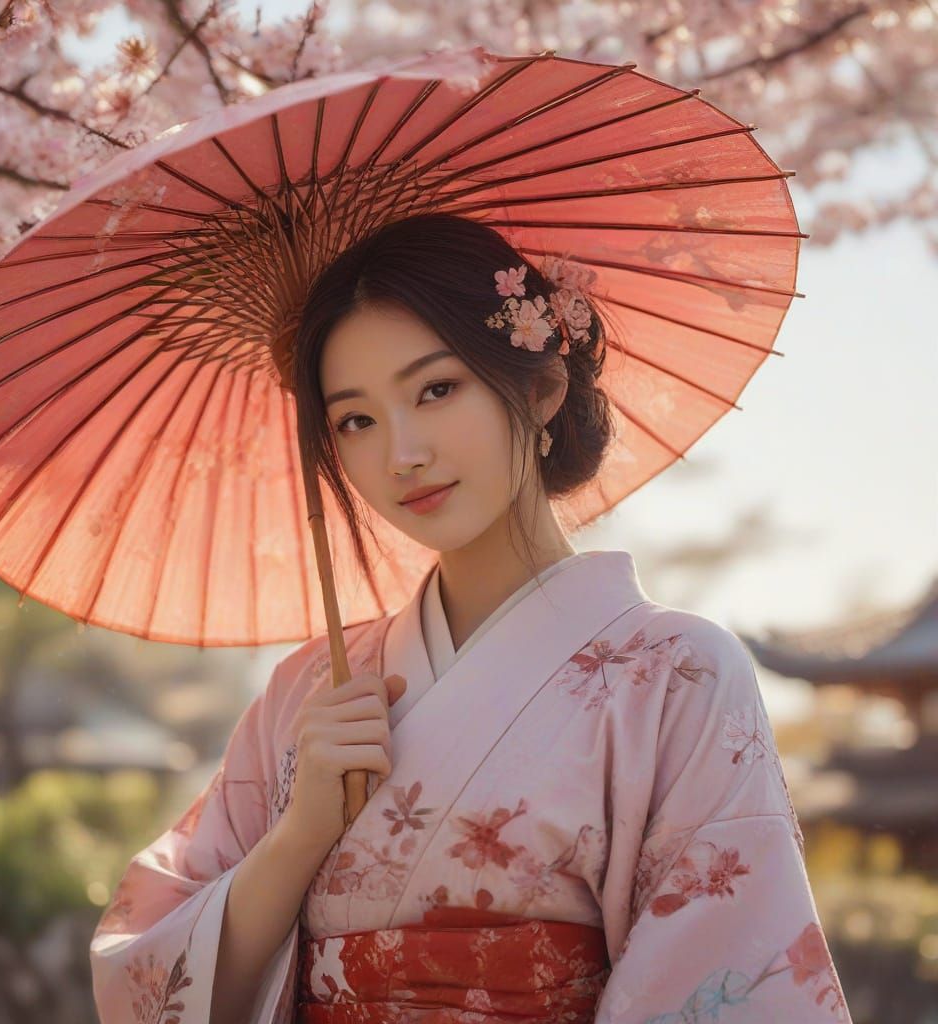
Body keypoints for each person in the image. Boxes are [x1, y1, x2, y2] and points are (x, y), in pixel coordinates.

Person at [90, 213, 852, 1023]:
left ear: (540, 389)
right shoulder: (305, 694)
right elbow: (146, 970)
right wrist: (299, 834)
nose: (402, 454)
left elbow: (724, 982)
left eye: (436, 389)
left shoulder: (678, 676)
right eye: (355, 419)